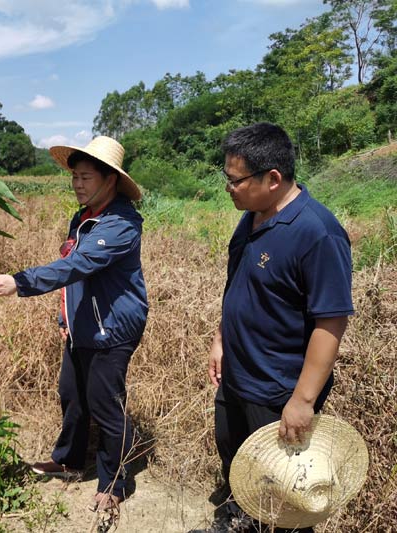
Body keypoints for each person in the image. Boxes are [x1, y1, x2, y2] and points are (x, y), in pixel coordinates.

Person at [191, 123, 354, 533]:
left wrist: (302, 401)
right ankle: (237, 519)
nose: (228, 188)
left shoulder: (317, 233)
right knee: (236, 459)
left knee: (283, 485)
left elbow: (330, 322)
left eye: (235, 180)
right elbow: (239, 284)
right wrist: (221, 338)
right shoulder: (251, 217)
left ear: (273, 179)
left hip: (279, 386)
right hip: (238, 373)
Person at [0, 136, 148, 514]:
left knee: (105, 405)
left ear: (110, 180)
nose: (77, 184)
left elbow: (77, 266)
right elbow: (74, 275)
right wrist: (64, 317)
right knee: (72, 394)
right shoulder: (84, 217)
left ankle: (114, 482)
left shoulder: (120, 224)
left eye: (86, 177)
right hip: (82, 326)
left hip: (112, 329)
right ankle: (69, 460)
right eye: (74, 176)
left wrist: (20, 281)